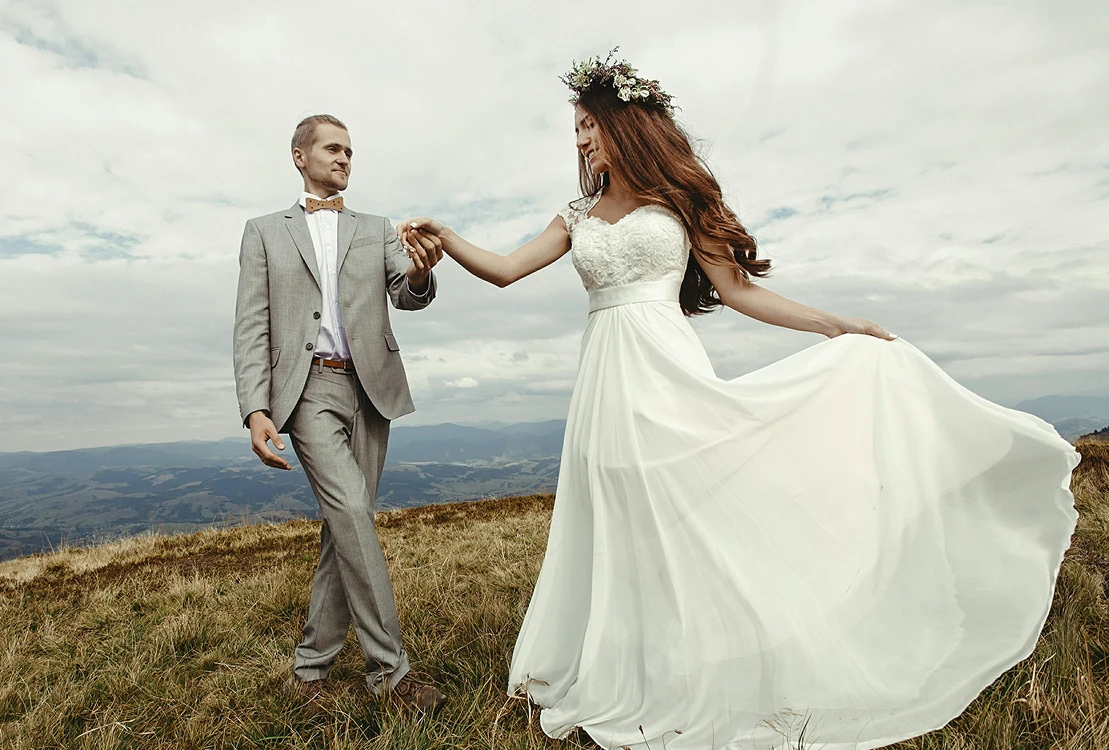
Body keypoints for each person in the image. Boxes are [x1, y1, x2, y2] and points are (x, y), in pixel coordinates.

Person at [398, 50, 1079, 749]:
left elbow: (739, 291)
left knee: (685, 506)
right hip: (605, 377)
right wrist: (447, 237)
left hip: (666, 369)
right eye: (573, 130)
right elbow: (507, 271)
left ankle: (707, 656)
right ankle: (630, 662)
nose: (578, 141)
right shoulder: (576, 213)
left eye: (587, 126)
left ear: (624, 125)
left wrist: (836, 323)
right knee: (620, 512)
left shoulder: (677, 202)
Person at [232, 114, 447, 711]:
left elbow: (405, 294)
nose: (345, 158)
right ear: (299, 156)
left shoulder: (377, 228)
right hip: (306, 392)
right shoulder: (262, 232)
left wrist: (423, 272)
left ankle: (309, 671)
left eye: (350, 150)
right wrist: (255, 408)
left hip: (371, 389)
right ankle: (391, 676)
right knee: (352, 510)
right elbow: (251, 324)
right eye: (333, 148)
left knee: (343, 528)